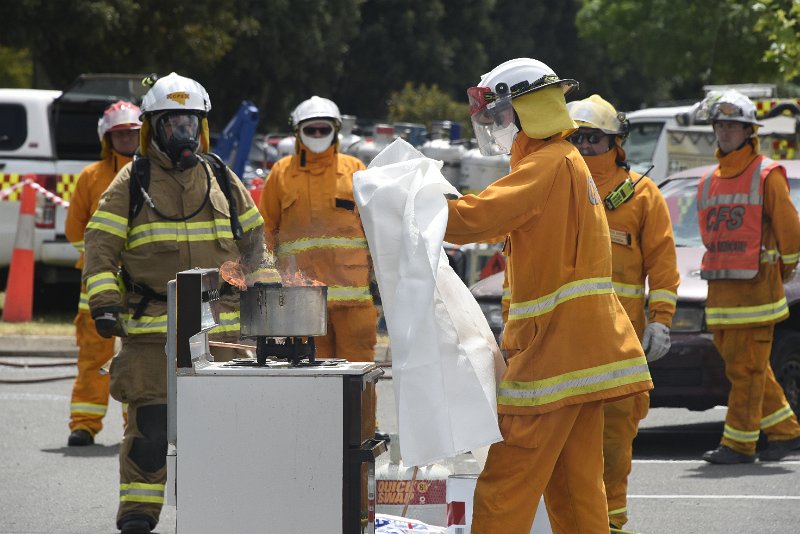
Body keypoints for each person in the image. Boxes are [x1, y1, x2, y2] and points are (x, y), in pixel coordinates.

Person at [444, 58, 653, 532]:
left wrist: (412, 199)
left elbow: (473, 219)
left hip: (551, 357)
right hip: (582, 357)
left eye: (501, 116)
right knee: (575, 490)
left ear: (529, 110)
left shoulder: (546, 165)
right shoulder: (567, 161)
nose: (497, 128)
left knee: (507, 482)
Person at [82, 72, 273, 534]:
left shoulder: (222, 178)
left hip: (221, 331)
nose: (182, 135)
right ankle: (137, 517)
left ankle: (219, 517)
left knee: (223, 431)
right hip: (152, 335)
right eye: (172, 125)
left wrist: (267, 294)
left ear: (202, 128)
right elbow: (100, 244)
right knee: (149, 431)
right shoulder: (133, 181)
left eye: (190, 124)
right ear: (153, 129)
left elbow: (255, 244)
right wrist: (104, 301)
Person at [567, 94, 680, 531]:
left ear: (616, 142)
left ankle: (610, 525)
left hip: (620, 347)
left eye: (592, 138)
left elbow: (664, 266)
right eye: (575, 137)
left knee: (614, 443)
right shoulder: (558, 187)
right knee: (563, 445)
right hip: (565, 346)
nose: (583, 146)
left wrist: (661, 321)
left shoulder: (642, 195)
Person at [694, 89, 800, 464]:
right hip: (721, 298)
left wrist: (779, 274)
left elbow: (791, 237)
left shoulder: (767, 174)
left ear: (749, 131)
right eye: (720, 125)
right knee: (748, 370)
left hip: (757, 296)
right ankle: (787, 432)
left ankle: (738, 445)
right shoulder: (708, 181)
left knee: (748, 370)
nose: (725, 132)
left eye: (733, 126)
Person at [258, 96, 377, 361]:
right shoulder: (281, 174)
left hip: (353, 304)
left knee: (357, 386)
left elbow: (375, 230)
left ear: (335, 131)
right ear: (297, 133)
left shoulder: (355, 171)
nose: (317, 135)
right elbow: (265, 232)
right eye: (310, 130)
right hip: (302, 305)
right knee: (310, 385)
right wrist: (265, 279)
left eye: (324, 129)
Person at [65, 101, 141, 447]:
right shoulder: (90, 177)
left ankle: (137, 424)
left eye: (133, 133)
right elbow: (74, 229)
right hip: (97, 285)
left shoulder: (154, 174)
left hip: (142, 284)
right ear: (107, 138)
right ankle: (84, 423)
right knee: (94, 355)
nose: (127, 139)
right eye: (120, 134)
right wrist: (102, 261)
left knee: (140, 355)